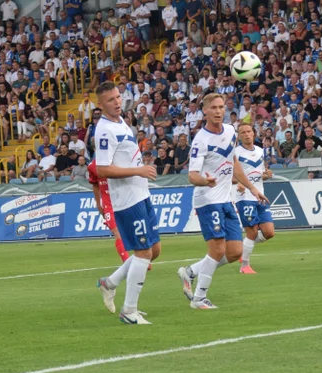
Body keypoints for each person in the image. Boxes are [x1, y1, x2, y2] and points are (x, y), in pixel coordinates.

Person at [177, 93, 267, 309]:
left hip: (226, 200)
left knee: (235, 252)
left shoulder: (229, 131)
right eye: (214, 108)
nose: (218, 111)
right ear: (205, 111)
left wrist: (253, 187)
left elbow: (234, 161)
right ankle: (199, 298)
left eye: (221, 107)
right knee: (217, 250)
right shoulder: (200, 140)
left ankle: (190, 272)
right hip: (207, 200)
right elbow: (192, 175)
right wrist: (205, 181)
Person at [93, 81, 160, 325]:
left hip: (140, 193)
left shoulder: (120, 121)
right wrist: (138, 171)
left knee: (155, 250)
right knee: (143, 252)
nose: (117, 102)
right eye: (110, 100)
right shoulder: (103, 131)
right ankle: (128, 311)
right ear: (100, 105)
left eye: (118, 97)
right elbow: (102, 169)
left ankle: (108, 283)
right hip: (127, 200)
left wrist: (140, 174)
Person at [232, 121, 275, 274]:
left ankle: (242, 248)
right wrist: (238, 182)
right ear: (239, 136)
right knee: (252, 232)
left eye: (249, 131)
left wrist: (266, 175)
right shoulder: (235, 153)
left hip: (259, 195)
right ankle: (244, 266)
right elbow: (228, 176)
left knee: (269, 232)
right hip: (244, 197)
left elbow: (260, 175)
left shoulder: (259, 151)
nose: (247, 134)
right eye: (243, 132)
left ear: (254, 133)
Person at [87, 158, 130, 264]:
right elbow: (95, 185)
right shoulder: (92, 166)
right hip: (109, 206)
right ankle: (127, 263)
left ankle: (142, 259)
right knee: (117, 233)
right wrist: (98, 204)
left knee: (131, 233)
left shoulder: (118, 160)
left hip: (124, 202)